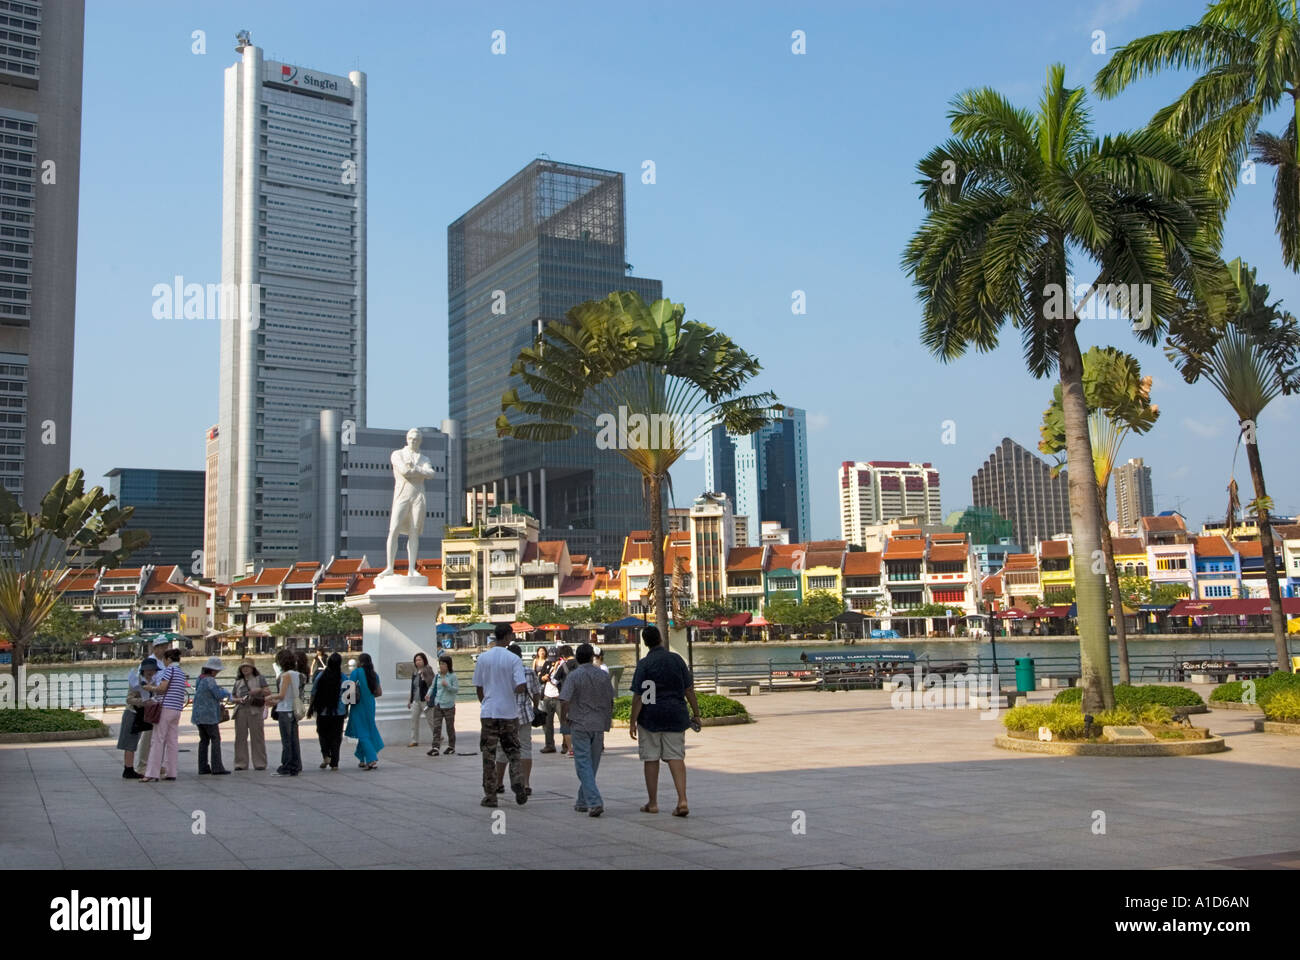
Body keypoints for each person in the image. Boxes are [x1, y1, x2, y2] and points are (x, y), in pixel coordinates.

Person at [628, 625, 701, 817]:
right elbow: (689, 689)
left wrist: (632, 721)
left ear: (644, 642)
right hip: (676, 714)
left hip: (650, 716)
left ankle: (653, 803)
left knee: (651, 758)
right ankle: (682, 799)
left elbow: (638, 696)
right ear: (660, 638)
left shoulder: (644, 664)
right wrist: (697, 713)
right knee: (676, 756)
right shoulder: (676, 660)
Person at [472, 623, 528, 807]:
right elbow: (521, 685)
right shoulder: (514, 659)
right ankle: (518, 782)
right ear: (508, 636)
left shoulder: (483, 658)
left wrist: (486, 701)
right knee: (513, 751)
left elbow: (479, 687)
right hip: (509, 712)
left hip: (489, 711)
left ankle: (491, 795)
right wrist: (509, 691)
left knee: (489, 754)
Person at [559, 642, 614, 817]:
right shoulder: (603, 675)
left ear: (577, 657)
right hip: (598, 723)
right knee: (592, 763)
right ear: (592, 657)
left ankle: (594, 801)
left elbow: (565, 699)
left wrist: (564, 718)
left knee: (583, 763)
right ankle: (583, 800)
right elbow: (610, 699)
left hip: (580, 722)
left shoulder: (574, 676)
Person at [492, 643, 539, 796]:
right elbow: (536, 693)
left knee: (502, 749)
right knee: (525, 748)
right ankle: (526, 784)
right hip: (525, 715)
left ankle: (498, 783)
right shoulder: (529, 672)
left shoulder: (500, 673)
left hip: (505, 715)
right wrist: (534, 707)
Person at [140, 649, 188, 783]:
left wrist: (150, 688)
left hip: (165, 708)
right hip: (176, 709)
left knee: (157, 740)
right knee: (172, 741)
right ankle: (171, 771)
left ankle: (152, 773)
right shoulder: (181, 673)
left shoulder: (169, 671)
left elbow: (162, 688)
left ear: (168, 659)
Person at [264, 649, 303, 777]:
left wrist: (269, 698)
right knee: (294, 739)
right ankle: (296, 765)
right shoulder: (298, 675)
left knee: (286, 740)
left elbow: (282, 695)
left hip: (285, 710)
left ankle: (286, 766)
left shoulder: (286, 675)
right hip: (293, 709)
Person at [192, 657, 231, 775]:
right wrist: (226, 692)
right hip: (208, 715)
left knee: (204, 740)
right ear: (213, 670)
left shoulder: (200, 678)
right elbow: (218, 695)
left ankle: (202, 767)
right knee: (215, 739)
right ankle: (217, 767)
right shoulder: (210, 680)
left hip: (198, 715)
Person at [308, 652, 347, 770]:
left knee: (323, 734)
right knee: (336, 736)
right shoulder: (344, 677)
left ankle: (326, 756)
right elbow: (348, 695)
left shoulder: (321, 676)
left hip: (322, 710)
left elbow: (313, 692)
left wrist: (311, 706)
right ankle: (335, 763)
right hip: (338, 711)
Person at [345, 652, 384, 769]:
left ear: (360, 662)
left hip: (359, 705)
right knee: (367, 728)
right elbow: (379, 692)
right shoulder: (374, 674)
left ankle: (371, 758)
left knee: (362, 732)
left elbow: (349, 690)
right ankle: (362, 758)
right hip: (370, 704)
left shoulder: (356, 672)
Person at [230, 659, 269, 771]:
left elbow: (267, 692)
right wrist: (239, 700)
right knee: (240, 737)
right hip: (241, 710)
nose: (245, 669)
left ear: (253, 668)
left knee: (257, 737)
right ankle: (240, 763)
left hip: (255, 710)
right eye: (243, 667)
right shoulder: (238, 682)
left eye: (247, 666)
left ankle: (260, 763)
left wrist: (257, 690)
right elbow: (232, 697)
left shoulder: (259, 679)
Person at [118, 657, 154, 778]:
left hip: (141, 714)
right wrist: (143, 701)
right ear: (143, 670)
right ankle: (128, 768)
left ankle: (129, 768)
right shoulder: (136, 681)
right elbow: (129, 699)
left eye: (153, 670)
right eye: (148, 670)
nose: (151, 672)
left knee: (134, 741)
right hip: (132, 713)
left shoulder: (153, 681)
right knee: (130, 742)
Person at [426, 655, 458, 756]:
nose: (441, 666)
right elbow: (432, 687)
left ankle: (451, 746)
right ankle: (435, 747)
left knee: (449, 727)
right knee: (437, 727)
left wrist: (447, 685)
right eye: (440, 664)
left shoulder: (453, 676)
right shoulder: (437, 676)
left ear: (448, 665)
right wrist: (428, 694)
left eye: (443, 664)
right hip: (438, 704)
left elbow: (455, 690)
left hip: (449, 706)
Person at [550, 644, 576, 755]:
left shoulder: (563, 665)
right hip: (580, 697)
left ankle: (570, 749)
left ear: (563, 656)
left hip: (566, 697)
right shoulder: (580, 664)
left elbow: (554, 681)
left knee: (566, 723)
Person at [407, 652, 434, 748]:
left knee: (431, 719)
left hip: (425, 700)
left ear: (424, 660)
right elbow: (413, 687)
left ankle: (438, 736)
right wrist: (409, 700)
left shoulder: (428, 669)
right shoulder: (415, 673)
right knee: (414, 720)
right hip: (416, 700)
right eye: (416, 660)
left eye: (419, 660)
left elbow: (432, 683)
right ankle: (414, 740)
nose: (417, 662)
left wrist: (425, 677)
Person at [536, 645, 558, 753]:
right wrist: (543, 678)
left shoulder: (561, 665)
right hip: (547, 696)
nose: (552, 660)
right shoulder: (547, 663)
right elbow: (540, 679)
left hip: (559, 697)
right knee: (548, 723)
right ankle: (549, 745)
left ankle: (566, 745)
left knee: (564, 722)